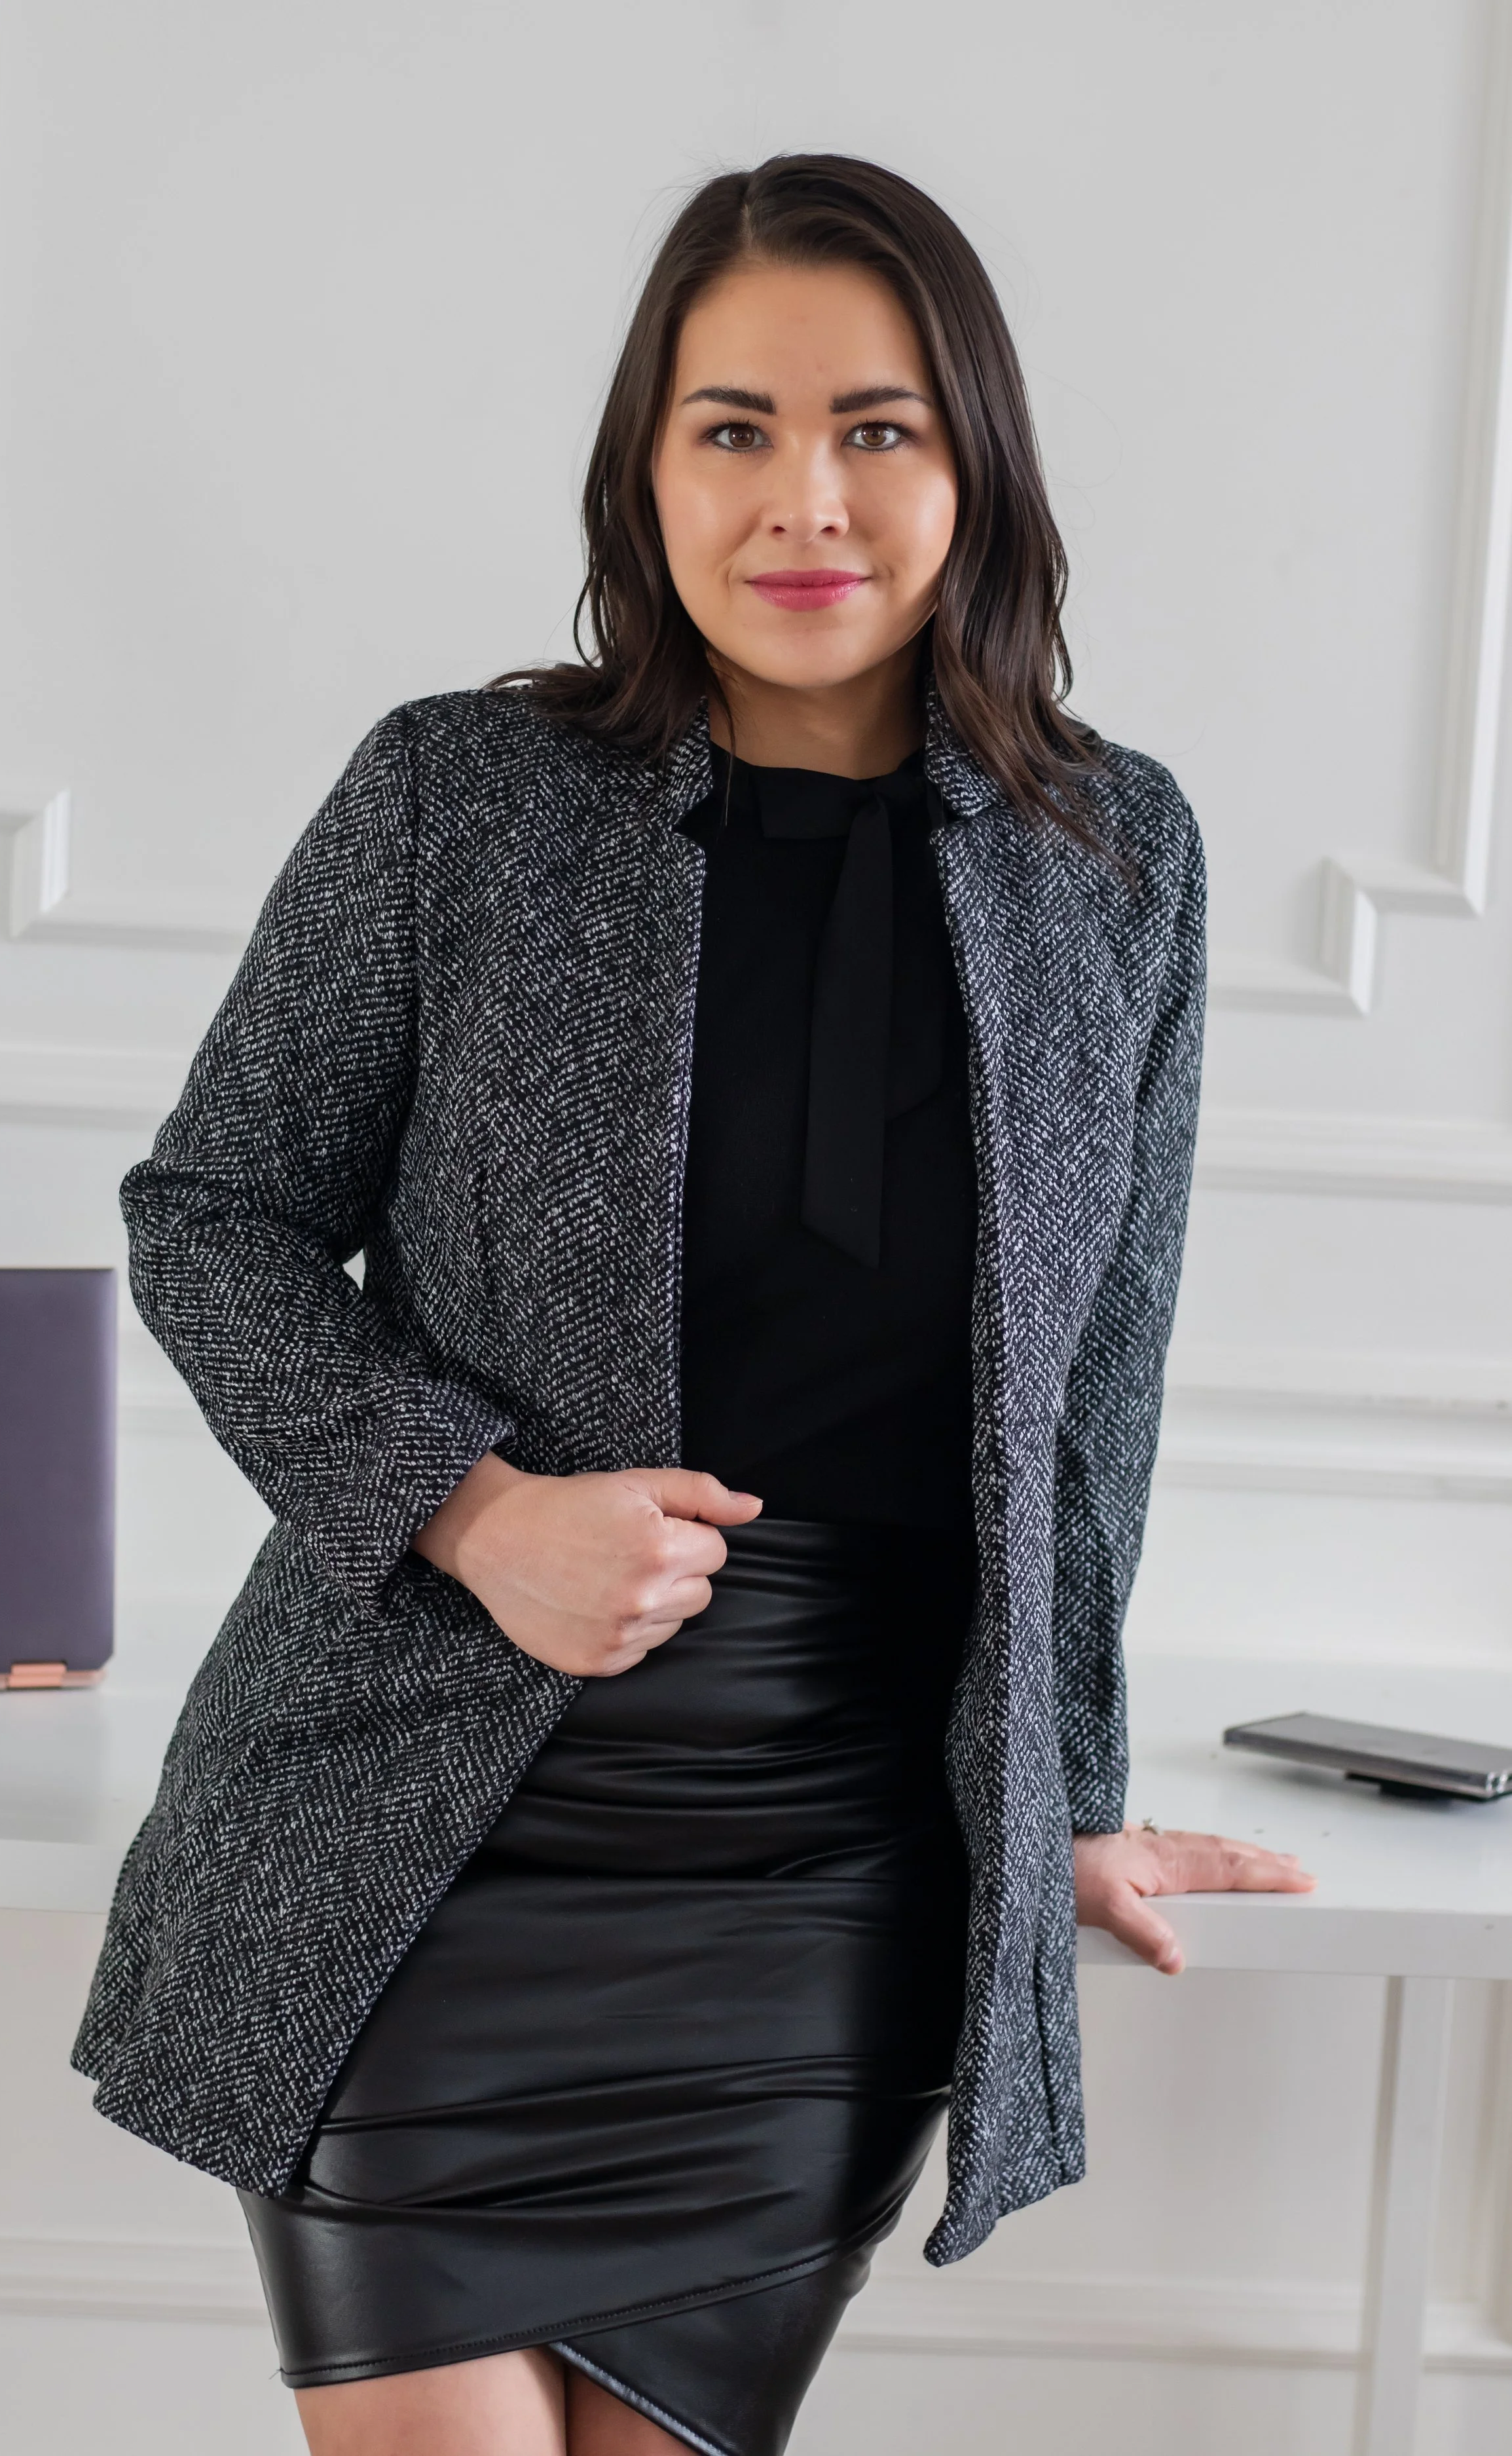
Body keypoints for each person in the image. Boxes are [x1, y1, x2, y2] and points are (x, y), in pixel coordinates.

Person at [73, 153, 1314, 2456]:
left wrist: (1060, 1793)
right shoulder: (460, 791)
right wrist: (468, 1507)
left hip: (837, 1849)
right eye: (730, 427)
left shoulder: (1113, 856)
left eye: (877, 426)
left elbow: (1087, 1399)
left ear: (975, 465)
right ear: (644, 467)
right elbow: (214, 1208)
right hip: (423, 1823)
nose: (802, 498)